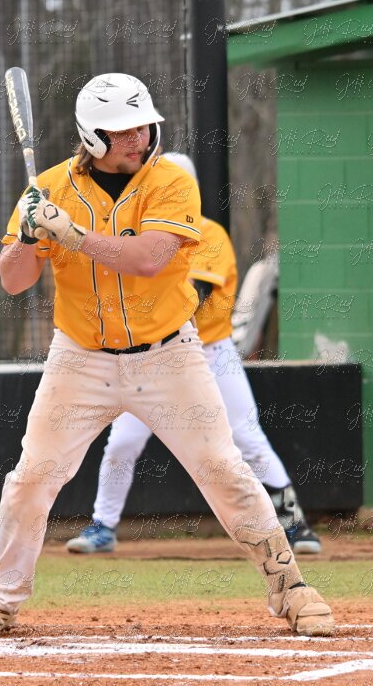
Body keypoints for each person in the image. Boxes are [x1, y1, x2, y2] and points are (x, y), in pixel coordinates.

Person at [0, 73, 334, 639]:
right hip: (80, 359)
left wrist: (72, 234)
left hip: (169, 355)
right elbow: (13, 280)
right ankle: (1, 600)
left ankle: (292, 589)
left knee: (224, 468)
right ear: (92, 136)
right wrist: (31, 236)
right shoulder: (52, 187)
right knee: (32, 475)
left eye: (142, 125)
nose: (138, 137)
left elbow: (148, 259)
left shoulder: (172, 183)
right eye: (122, 130)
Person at [67, 152, 321, 556]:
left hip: (210, 353)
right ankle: (103, 526)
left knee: (246, 437)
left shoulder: (206, 234)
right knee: (122, 443)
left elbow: (193, 297)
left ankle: (294, 524)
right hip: (149, 356)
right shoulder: (135, 238)